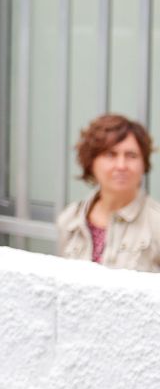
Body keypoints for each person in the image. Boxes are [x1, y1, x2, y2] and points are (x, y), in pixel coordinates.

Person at [59, 114, 160, 271]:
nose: (121, 165)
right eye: (110, 154)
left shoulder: (156, 224)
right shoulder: (70, 219)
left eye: (131, 155)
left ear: (143, 163)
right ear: (91, 161)